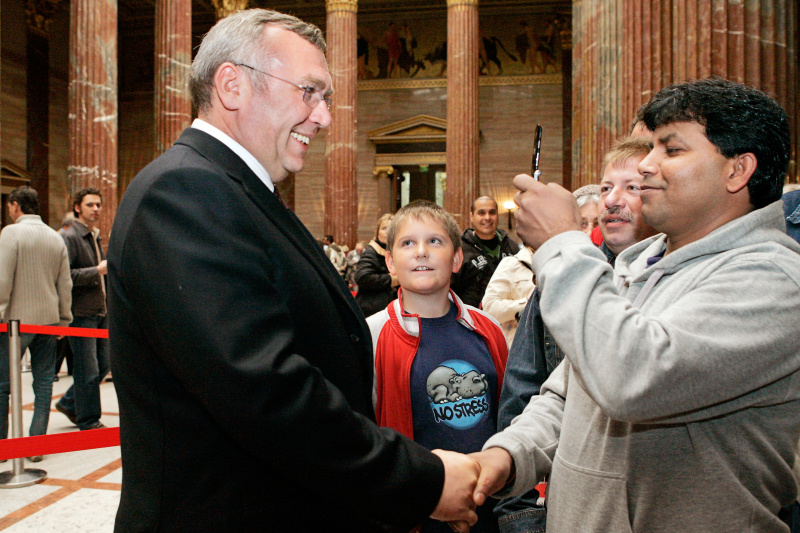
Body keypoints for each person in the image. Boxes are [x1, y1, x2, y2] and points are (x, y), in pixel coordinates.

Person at [107, 10, 480, 532]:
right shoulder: (185, 192)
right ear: (233, 86)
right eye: (309, 92)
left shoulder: (237, 192)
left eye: (325, 97)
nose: (323, 117)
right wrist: (423, 482)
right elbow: (266, 393)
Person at [472, 78, 800, 532]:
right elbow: (569, 396)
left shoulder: (773, 278)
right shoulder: (635, 265)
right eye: (650, 148)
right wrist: (508, 456)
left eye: (671, 149)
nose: (645, 164)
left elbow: (631, 377)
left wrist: (563, 242)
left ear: (737, 170)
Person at [492, 136, 657, 532]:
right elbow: (530, 396)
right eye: (606, 188)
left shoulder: (677, 286)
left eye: (632, 187)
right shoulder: (557, 281)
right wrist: (521, 514)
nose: (612, 200)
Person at [367, 200, 508, 533]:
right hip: (414, 515)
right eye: (407, 243)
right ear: (390, 262)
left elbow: (510, 415)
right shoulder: (371, 336)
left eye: (434, 241)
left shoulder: (489, 329)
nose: (421, 252)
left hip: (490, 510)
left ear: (456, 258)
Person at [0, 186, 72, 460]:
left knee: (2, 385)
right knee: (43, 384)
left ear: (16, 205)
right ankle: (36, 446)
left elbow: (3, 279)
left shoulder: (11, 233)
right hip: (48, 321)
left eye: (9, 206)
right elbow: (65, 284)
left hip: (15, 323)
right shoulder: (55, 237)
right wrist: (64, 319)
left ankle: (2, 448)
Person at [55, 187, 109, 431]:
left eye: (98, 204)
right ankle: (88, 419)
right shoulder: (70, 236)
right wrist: (97, 271)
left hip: (100, 309)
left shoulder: (93, 235)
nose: (96, 209)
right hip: (81, 312)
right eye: (90, 205)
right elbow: (65, 275)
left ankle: (69, 401)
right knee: (88, 369)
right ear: (77, 207)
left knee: (105, 363)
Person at [451, 196, 518, 308]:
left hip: (507, 314)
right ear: (472, 216)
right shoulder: (459, 249)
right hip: (471, 315)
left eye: (492, 213)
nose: (487, 217)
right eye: (481, 213)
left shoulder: (511, 246)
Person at [480, 246, 535, 347]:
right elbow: (489, 308)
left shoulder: (560, 264)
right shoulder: (512, 263)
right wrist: (529, 303)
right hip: (521, 346)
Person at [354, 213, 399, 317]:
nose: (387, 232)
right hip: (372, 310)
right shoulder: (372, 252)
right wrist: (392, 279)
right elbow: (362, 277)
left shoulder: (392, 251)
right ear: (377, 232)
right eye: (384, 228)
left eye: (391, 228)